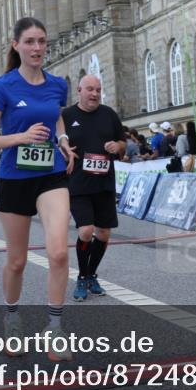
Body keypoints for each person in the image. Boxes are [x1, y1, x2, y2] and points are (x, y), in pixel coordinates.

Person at [0, 17, 76, 362]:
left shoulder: (57, 85)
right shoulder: (2, 86)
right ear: (16, 46)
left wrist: (63, 140)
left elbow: (56, 117)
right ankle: (12, 319)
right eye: (30, 42)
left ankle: (55, 328)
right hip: (14, 178)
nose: (37, 48)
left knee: (59, 253)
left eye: (41, 41)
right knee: (17, 261)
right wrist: (21, 137)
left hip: (51, 175)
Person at [62, 74, 126, 302]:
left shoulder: (109, 114)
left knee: (104, 233)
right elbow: (56, 142)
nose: (95, 94)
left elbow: (123, 142)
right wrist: (63, 152)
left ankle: (91, 274)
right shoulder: (67, 116)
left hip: (104, 183)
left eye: (98, 90)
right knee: (86, 230)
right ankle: (81, 277)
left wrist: (117, 145)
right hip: (78, 183)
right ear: (79, 90)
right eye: (90, 89)